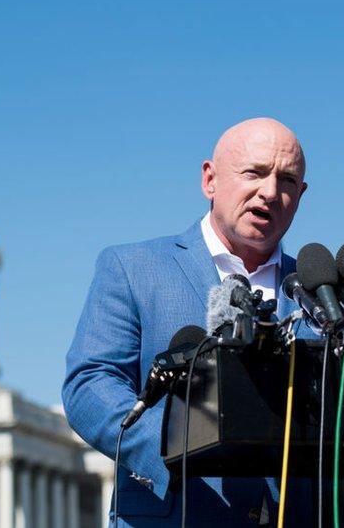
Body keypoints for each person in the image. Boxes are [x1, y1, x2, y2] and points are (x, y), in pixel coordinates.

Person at [62, 118, 311, 527]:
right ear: (210, 180)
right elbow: (90, 385)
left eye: (287, 180)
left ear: (301, 195)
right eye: (254, 173)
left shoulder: (320, 290)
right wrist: (179, 442)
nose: (270, 192)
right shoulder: (131, 267)